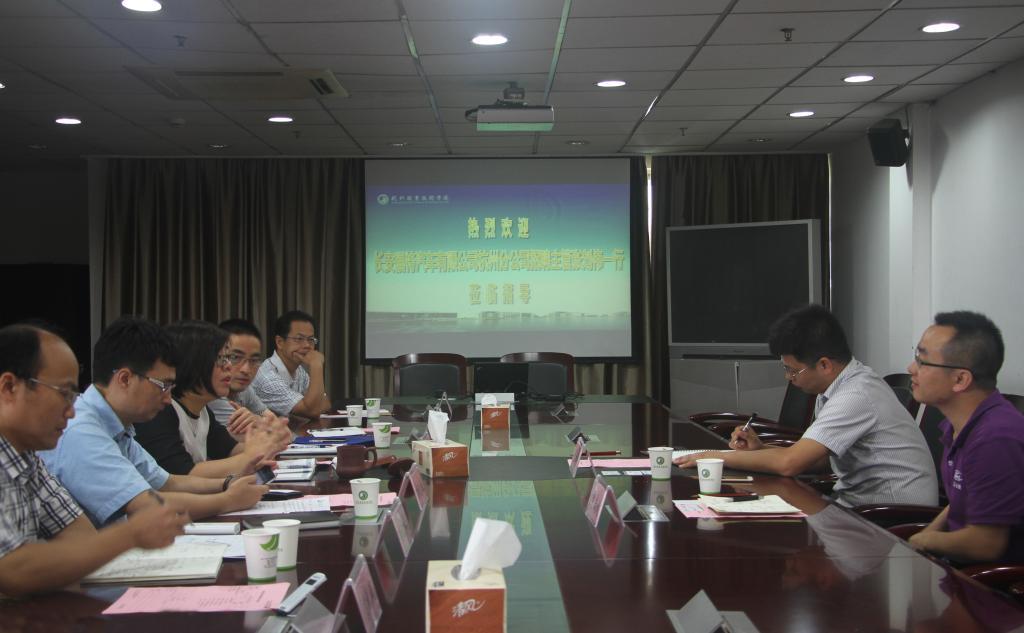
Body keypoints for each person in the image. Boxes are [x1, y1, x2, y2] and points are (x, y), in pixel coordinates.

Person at [675, 304, 938, 507]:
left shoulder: (856, 395)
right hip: (859, 505)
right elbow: (820, 461)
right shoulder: (837, 388)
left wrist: (714, 457)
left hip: (890, 516)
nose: (788, 378)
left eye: (793, 371)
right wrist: (761, 449)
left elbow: (790, 463)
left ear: (824, 365)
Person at [0, 324, 188, 597]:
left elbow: (80, 535)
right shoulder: (74, 433)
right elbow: (11, 570)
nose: (71, 412)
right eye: (63, 393)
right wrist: (131, 534)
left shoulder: (28, 456)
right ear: (9, 387)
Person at [40, 316, 268, 527]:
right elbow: (145, 504)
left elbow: (167, 483)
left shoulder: (117, 425)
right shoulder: (81, 430)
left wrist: (226, 484)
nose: (168, 398)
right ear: (125, 379)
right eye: (163, 386)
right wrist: (227, 500)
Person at [906, 311, 1024, 564]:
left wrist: (923, 541)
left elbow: (986, 544)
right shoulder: (959, 425)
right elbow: (964, 498)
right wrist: (923, 537)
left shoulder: (996, 439)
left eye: (922, 361)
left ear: (960, 379)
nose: (911, 369)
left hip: (990, 582)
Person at [134, 321, 291, 478]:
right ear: (192, 362)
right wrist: (251, 455)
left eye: (228, 358)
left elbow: (231, 450)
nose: (228, 366)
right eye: (221, 359)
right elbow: (182, 473)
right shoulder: (161, 409)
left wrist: (271, 440)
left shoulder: (203, 410)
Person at [251, 310, 331, 419]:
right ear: (280, 342)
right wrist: (316, 365)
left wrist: (314, 405)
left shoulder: (299, 371)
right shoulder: (268, 378)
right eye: (299, 339)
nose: (307, 345)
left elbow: (325, 403)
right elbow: (313, 411)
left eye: (311, 339)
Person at [208, 318, 269, 434]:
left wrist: (257, 420)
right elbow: (266, 436)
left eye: (254, 360)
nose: (246, 370)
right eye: (235, 357)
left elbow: (276, 424)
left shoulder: (244, 389)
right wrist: (262, 422)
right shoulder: (212, 393)